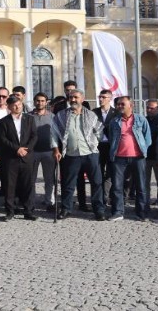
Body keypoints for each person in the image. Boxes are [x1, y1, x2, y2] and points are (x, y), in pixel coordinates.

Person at [52, 89, 106, 221]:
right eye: (71, 97)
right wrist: (56, 149)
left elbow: (99, 131)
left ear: (82, 99)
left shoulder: (91, 115)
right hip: (71, 154)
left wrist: (94, 143)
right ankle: (66, 209)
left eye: (76, 97)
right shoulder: (61, 115)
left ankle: (98, 210)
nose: (73, 100)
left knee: (96, 182)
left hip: (90, 154)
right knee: (68, 183)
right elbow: (53, 133)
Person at [107, 96, 152, 221]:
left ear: (131, 105)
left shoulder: (140, 119)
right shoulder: (114, 121)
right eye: (118, 104)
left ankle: (141, 213)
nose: (119, 106)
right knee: (117, 186)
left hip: (138, 158)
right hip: (119, 158)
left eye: (123, 104)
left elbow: (147, 138)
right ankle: (118, 212)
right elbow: (112, 138)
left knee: (141, 186)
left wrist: (142, 150)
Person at [0, 95, 38, 220]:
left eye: (19, 104)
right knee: (10, 185)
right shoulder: (4, 121)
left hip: (27, 156)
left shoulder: (29, 119)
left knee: (27, 184)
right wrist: (16, 149)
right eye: (14, 105)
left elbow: (34, 136)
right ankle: (10, 211)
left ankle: (28, 211)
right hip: (11, 158)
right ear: (9, 107)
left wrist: (27, 149)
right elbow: (2, 139)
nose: (17, 106)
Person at [92, 89, 118, 210]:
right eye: (100, 97)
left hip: (111, 146)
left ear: (110, 98)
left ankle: (109, 197)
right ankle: (99, 198)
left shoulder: (116, 113)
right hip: (97, 146)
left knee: (111, 174)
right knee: (98, 173)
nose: (101, 99)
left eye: (103, 97)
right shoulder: (93, 112)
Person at [30, 93, 56, 210]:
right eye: (37, 100)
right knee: (31, 178)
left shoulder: (53, 117)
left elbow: (56, 134)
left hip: (49, 151)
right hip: (33, 151)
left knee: (49, 178)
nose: (40, 103)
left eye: (42, 101)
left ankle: (49, 201)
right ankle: (31, 201)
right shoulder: (28, 116)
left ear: (46, 102)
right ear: (34, 102)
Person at [144, 99, 158, 207]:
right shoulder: (143, 120)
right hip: (145, 156)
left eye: (152, 108)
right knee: (145, 183)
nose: (149, 110)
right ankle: (145, 204)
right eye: (148, 107)